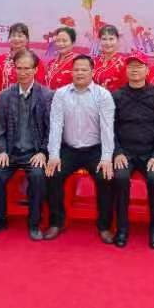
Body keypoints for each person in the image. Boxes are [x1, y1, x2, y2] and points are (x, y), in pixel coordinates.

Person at [44, 55, 116, 242]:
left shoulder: (103, 95)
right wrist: (54, 155)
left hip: (95, 149)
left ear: (92, 72)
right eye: (76, 69)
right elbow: (56, 126)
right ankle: (56, 222)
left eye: (84, 69)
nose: (80, 73)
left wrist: (106, 158)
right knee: (52, 174)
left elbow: (107, 128)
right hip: (69, 148)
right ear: (71, 72)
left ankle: (104, 226)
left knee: (106, 177)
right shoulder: (61, 94)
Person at [0, 50, 53, 240]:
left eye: (27, 68)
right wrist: (1, 151)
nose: (22, 72)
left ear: (35, 69)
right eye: (19, 68)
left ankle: (34, 224)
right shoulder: (4, 96)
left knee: (38, 176)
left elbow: (52, 130)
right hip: (11, 152)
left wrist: (43, 152)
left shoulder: (47, 95)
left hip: (35, 153)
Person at [112, 51, 154, 248]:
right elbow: (110, 128)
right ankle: (122, 228)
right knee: (120, 178)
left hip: (150, 153)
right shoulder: (117, 96)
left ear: (147, 70)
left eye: (139, 66)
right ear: (126, 70)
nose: (134, 70)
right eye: (131, 67)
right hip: (125, 153)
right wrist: (117, 152)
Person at [0, 23, 46, 96]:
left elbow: (40, 87)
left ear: (27, 39)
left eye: (20, 36)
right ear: (9, 38)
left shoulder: (35, 60)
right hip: (4, 101)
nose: (16, 39)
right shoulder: (0, 60)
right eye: (13, 35)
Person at [93, 24, 127, 92]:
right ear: (99, 41)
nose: (108, 43)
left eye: (111, 39)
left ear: (118, 40)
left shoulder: (124, 64)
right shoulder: (94, 62)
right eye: (104, 39)